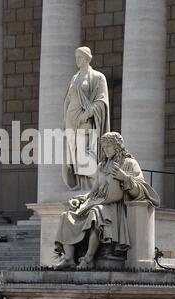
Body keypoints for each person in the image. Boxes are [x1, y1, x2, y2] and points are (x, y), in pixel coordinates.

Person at [54, 132, 160, 270]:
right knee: (67, 216)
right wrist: (81, 199)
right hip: (97, 201)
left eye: (108, 146)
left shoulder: (129, 163)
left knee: (95, 212)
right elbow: (94, 191)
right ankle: (69, 258)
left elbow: (141, 191)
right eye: (103, 147)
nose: (105, 150)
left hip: (115, 207)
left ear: (117, 146)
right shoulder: (101, 166)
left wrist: (125, 178)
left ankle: (89, 258)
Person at [62, 46, 110, 191]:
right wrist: (65, 119)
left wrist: (87, 114)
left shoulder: (98, 77)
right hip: (71, 121)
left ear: (88, 58)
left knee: (86, 152)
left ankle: (98, 185)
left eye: (81, 57)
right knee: (74, 155)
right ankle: (81, 185)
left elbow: (102, 100)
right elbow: (68, 99)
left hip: (85, 120)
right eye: (76, 57)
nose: (78, 60)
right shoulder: (74, 78)